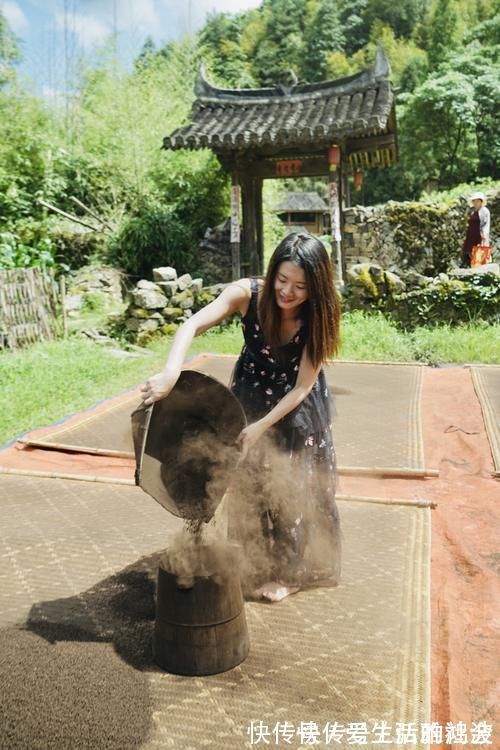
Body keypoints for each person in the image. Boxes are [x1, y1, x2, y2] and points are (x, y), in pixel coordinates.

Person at [141, 232, 342, 602]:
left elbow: (301, 389)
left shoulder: (319, 316)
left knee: (291, 485)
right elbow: (190, 326)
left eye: (300, 286)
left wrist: (260, 428)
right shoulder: (245, 294)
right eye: (282, 280)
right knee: (249, 479)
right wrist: (172, 371)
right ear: (272, 273)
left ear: (316, 287)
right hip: (251, 391)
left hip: (295, 404)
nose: (287, 292)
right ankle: (256, 561)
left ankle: (290, 573)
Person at [461, 191, 491, 267]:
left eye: (477, 201)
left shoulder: (484, 211)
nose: (475, 203)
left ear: (481, 202)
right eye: (474, 201)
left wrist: (484, 236)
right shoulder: (474, 212)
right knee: (470, 253)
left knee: (479, 253)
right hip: (471, 235)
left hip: (479, 235)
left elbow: (485, 224)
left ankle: (479, 269)